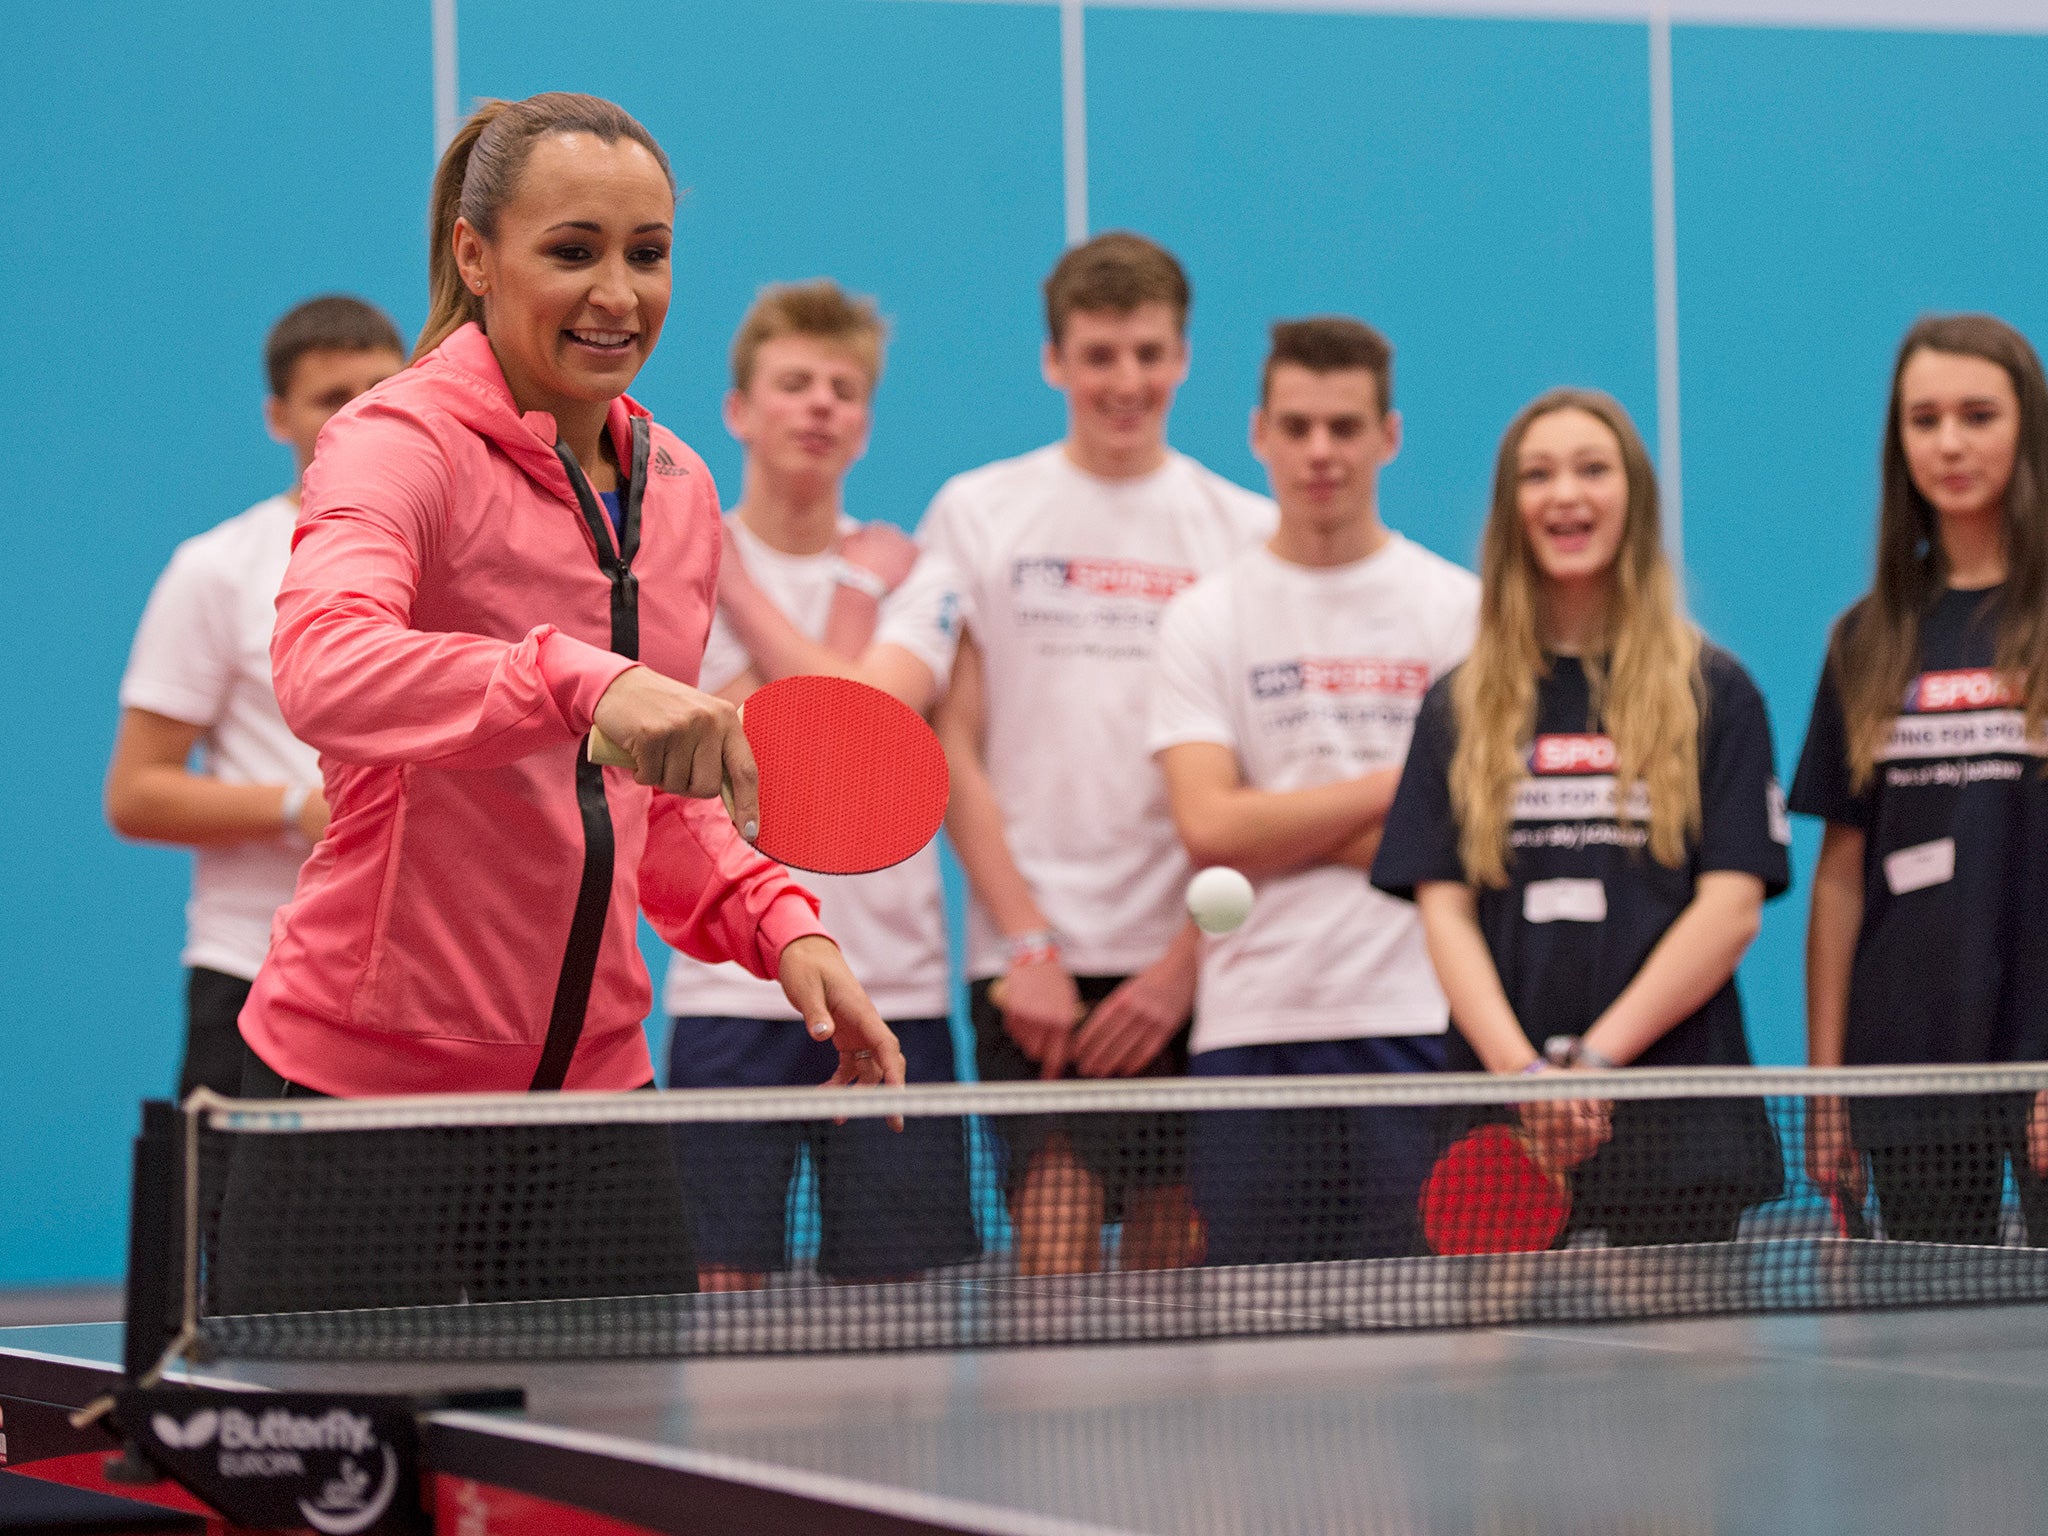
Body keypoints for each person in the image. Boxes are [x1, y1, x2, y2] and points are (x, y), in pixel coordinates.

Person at [214, 93, 900, 1313]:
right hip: (367, 1110)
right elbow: (324, 664)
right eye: (572, 251)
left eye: (647, 253)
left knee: (600, 1500)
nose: (617, 294)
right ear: (475, 256)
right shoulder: (395, 443)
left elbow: (658, 789)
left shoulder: (678, 488)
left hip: (596, 1111)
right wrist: (583, 681)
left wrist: (780, 923)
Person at [921, 232, 1274, 1275]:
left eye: (1147, 354)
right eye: (1099, 355)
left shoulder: (1242, 532)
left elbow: (1258, 784)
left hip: (1188, 957)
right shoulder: (976, 514)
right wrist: (1026, 945)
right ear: (1054, 361)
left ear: (1182, 357)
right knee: (1054, 1249)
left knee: (1176, 1261)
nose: (1125, 381)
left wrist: (1183, 966)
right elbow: (954, 747)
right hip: (1030, 967)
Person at [1373, 388, 1788, 1247]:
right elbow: (1443, 910)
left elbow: (1731, 908)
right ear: (1510, 508)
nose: (1566, 493)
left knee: (1689, 1386)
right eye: (1539, 474)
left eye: (1592, 470)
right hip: (1505, 1121)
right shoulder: (1458, 706)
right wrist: (1528, 1079)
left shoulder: (1717, 691)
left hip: (1677, 1119)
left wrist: (1593, 1066)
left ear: (1632, 497)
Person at [662, 280, 978, 1287]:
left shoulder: (916, 570)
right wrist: (844, 611)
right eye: (792, 383)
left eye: (841, 389)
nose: (817, 405)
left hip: (897, 986)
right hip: (729, 986)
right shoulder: (669, 566)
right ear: (738, 410)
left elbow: (859, 732)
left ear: (864, 423)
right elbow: (722, 739)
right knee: (720, 1291)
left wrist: (739, 591)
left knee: (897, 1309)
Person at [1149, 318, 1478, 1263]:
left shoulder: (1458, 610)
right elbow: (1209, 826)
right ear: (1259, 433)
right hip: (1253, 1031)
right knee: (1258, 1359)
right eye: (1297, 427)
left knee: (1417, 1355)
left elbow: (1474, 838)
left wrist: (1272, 825)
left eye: (1344, 426)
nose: (1320, 452)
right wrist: (1403, 790)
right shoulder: (1205, 619)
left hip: (1416, 1025)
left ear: (1390, 435)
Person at [107, 297, 405, 1099]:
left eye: (382, 389)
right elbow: (136, 794)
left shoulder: (456, 556)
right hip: (254, 973)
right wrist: (295, 810)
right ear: (279, 417)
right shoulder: (216, 570)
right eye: (332, 398)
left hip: (416, 989)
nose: (362, 415)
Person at [1792, 313, 2048, 1246]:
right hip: (1912, 1063)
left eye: (1978, 414)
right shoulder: (1867, 639)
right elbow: (1842, 873)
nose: (1949, 442)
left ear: (2027, 428)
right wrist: (1829, 1091)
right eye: (1923, 418)